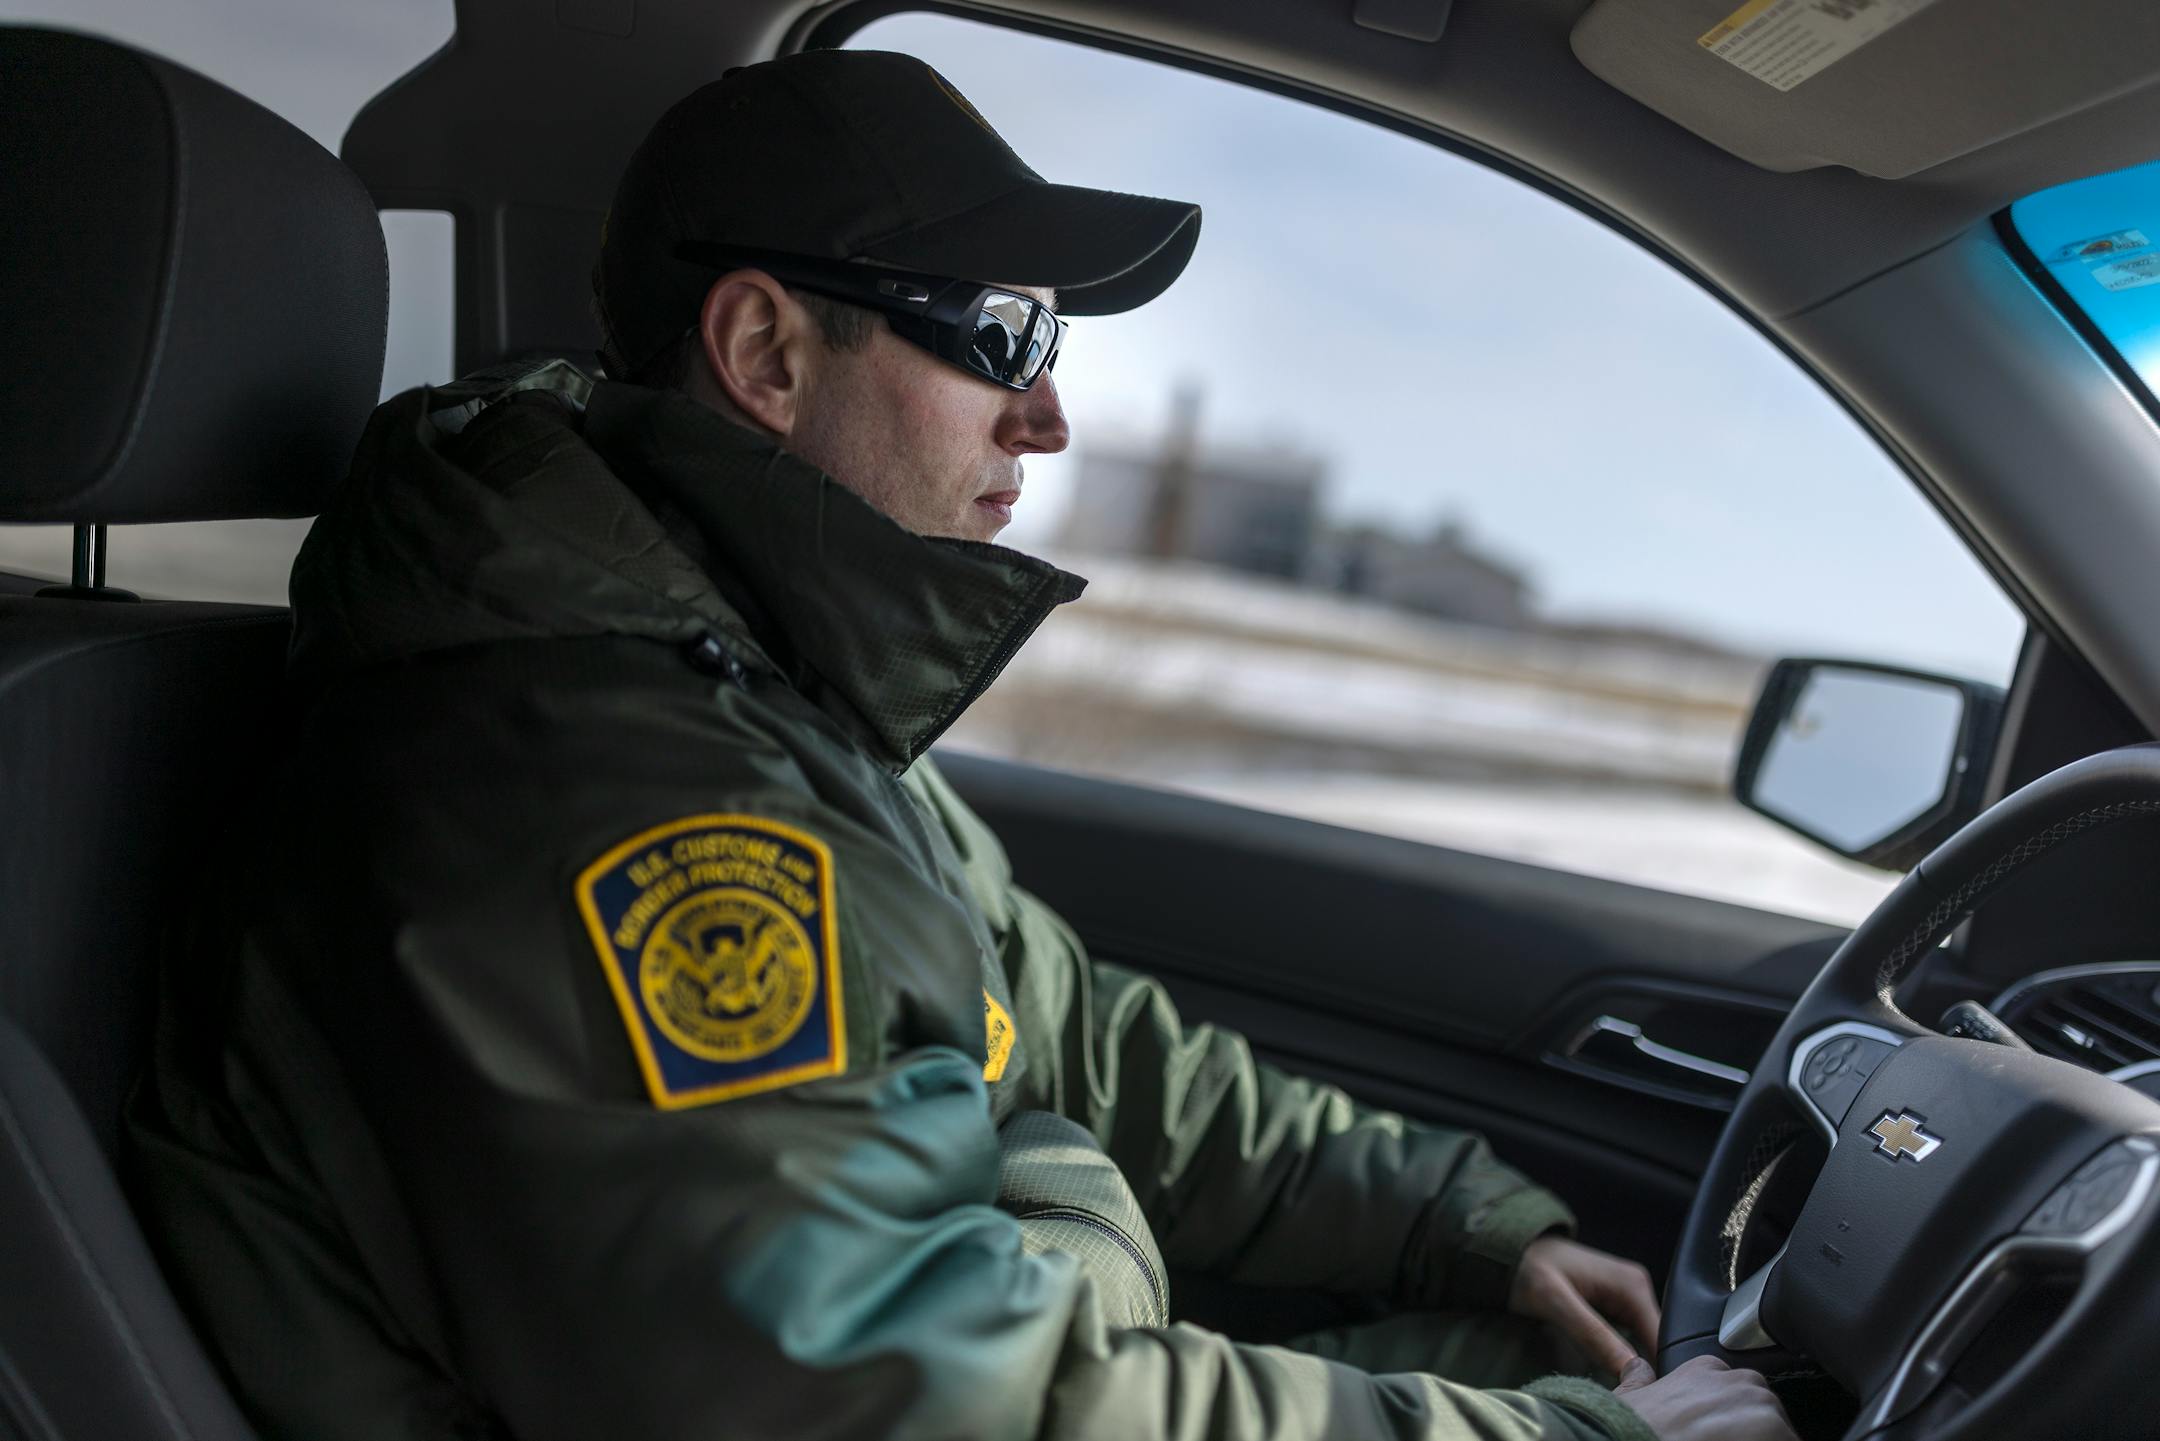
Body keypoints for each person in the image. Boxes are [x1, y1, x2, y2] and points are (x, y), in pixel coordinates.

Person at [127, 48, 1795, 1441]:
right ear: (768, 352)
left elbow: (1083, 1039)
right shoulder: (599, 800)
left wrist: (1463, 1226)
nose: (1048, 411)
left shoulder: (762, 684)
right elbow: (898, 1393)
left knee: (1554, 1358)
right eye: (998, 330)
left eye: (1049, 342)